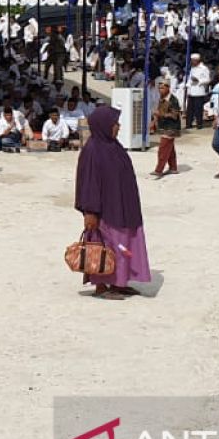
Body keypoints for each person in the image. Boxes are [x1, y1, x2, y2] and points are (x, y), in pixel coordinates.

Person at [75, 106, 151, 300]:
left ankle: (119, 283)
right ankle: (101, 286)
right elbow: (88, 183)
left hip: (123, 206)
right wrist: (90, 212)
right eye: (115, 123)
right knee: (106, 245)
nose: (118, 126)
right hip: (105, 211)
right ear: (103, 125)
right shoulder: (92, 151)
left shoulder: (113, 146)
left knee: (123, 244)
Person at [150, 80, 181, 178]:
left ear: (168, 88)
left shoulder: (173, 100)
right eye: (159, 88)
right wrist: (154, 122)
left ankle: (159, 170)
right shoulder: (161, 98)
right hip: (164, 126)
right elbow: (158, 111)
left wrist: (161, 114)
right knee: (169, 148)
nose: (160, 90)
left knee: (163, 149)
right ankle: (173, 167)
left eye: (162, 88)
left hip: (171, 127)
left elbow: (175, 115)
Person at [186, 53, 210, 130]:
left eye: (194, 60)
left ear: (198, 60)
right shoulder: (192, 68)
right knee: (190, 109)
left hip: (199, 91)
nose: (192, 62)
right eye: (192, 60)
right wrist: (188, 85)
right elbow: (190, 78)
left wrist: (199, 80)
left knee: (198, 109)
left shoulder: (204, 68)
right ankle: (188, 124)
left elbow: (208, 79)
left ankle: (199, 124)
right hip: (191, 91)